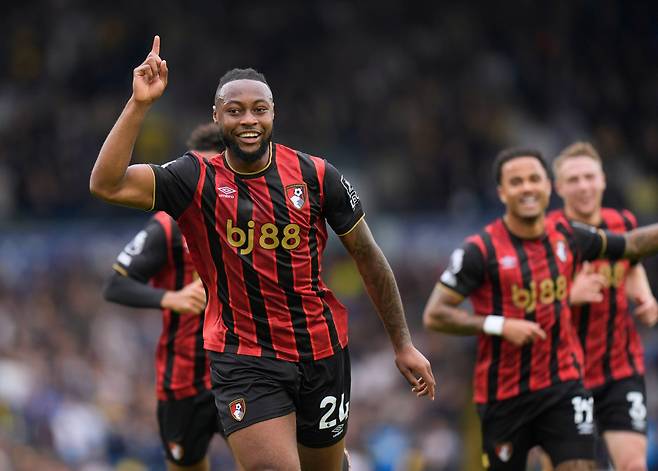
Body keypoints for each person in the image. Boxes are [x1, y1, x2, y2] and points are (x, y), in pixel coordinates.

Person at [90, 35, 435, 471]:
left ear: (274, 114)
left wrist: (402, 344)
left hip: (322, 352)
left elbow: (369, 257)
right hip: (244, 359)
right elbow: (107, 184)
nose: (248, 120)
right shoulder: (193, 178)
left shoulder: (316, 174)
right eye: (235, 111)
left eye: (259, 109)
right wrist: (139, 104)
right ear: (217, 118)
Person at [422, 147, 658, 470]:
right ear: (502, 192)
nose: (527, 188)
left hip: (565, 383)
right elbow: (435, 314)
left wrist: (642, 292)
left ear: (548, 186)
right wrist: (499, 325)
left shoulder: (570, 237)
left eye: (534, 179)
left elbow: (630, 247)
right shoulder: (480, 250)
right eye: (516, 182)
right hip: (503, 394)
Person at [103, 123, 226, 471]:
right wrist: (170, 299)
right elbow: (116, 284)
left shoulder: (251, 225)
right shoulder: (169, 226)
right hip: (183, 380)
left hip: (240, 371)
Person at [547, 141, 658, 471]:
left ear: (603, 180)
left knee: (633, 465)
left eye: (589, 177)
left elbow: (632, 261)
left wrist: (646, 295)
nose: (583, 186)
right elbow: (525, 306)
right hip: (563, 375)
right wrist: (568, 295)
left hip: (619, 369)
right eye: (574, 179)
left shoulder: (621, 222)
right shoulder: (548, 235)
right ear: (559, 187)